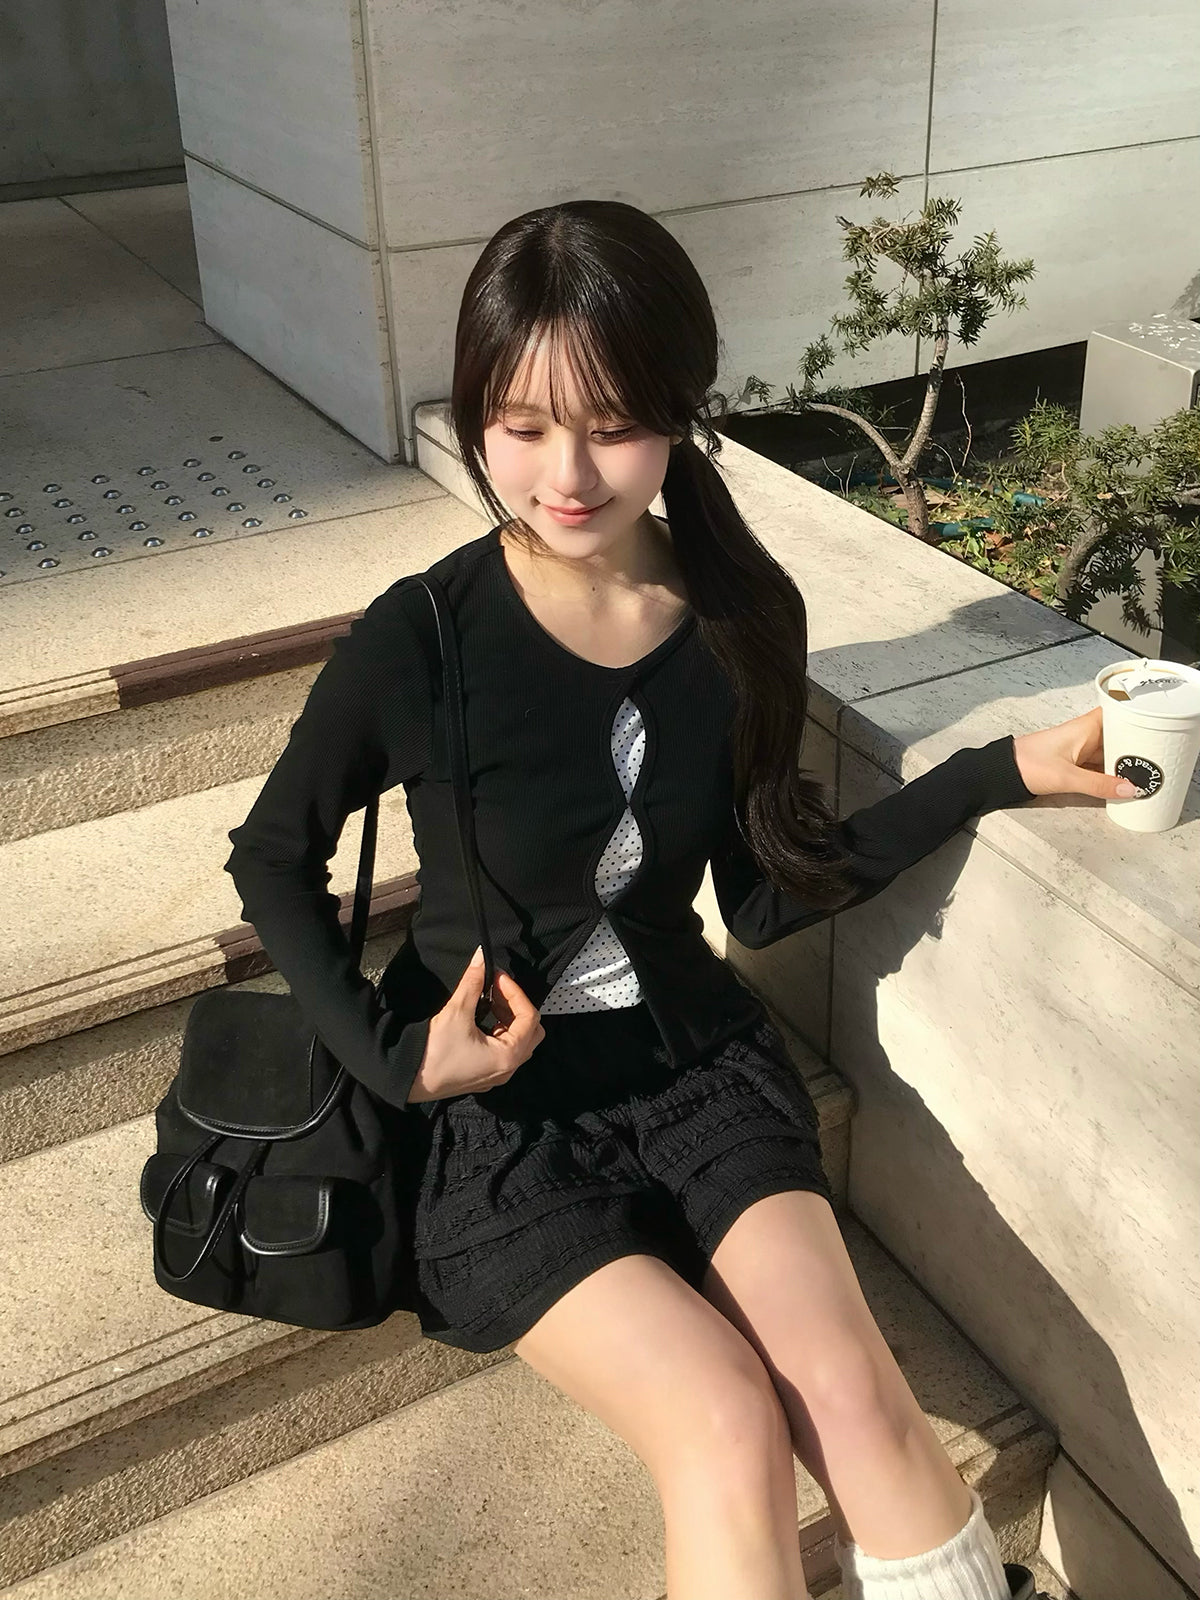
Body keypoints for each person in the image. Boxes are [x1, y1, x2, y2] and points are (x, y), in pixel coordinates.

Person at [225, 200, 1125, 1600]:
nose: (565, 474)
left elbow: (760, 899)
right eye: (522, 426)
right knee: (722, 1425)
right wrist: (399, 1059)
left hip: (695, 1067)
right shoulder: (426, 636)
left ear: (679, 409)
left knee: (853, 1390)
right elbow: (272, 856)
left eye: (613, 425)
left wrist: (993, 772)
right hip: (499, 1122)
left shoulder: (741, 615)